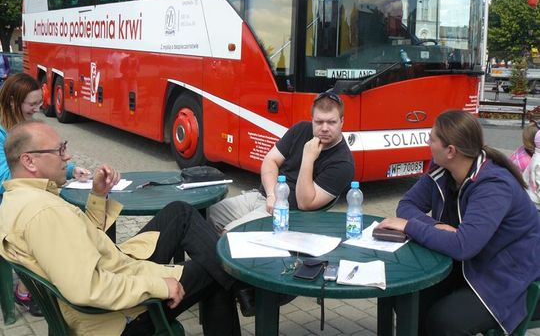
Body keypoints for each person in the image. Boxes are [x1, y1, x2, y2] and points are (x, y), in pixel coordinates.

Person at [0, 120, 241, 335]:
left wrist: (98, 195)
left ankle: (240, 284)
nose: (68, 156)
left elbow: (81, 240)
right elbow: (86, 289)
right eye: (59, 150)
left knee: (180, 212)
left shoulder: (17, 199)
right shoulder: (45, 213)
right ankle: (242, 284)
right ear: (29, 161)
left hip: (113, 269)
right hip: (117, 318)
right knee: (216, 268)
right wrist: (159, 285)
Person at [377, 110, 540, 335]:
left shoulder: (493, 184)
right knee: (406, 296)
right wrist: (434, 228)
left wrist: (410, 226)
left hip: (505, 276)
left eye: (432, 138)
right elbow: (406, 206)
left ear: (451, 151)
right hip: (468, 265)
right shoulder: (442, 170)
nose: (428, 142)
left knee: (444, 321)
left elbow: (464, 246)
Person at [0, 73, 91, 316]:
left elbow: (42, 160)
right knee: (42, 226)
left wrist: (70, 170)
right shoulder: (2, 133)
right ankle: (25, 288)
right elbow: (5, 180)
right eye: (32, 104)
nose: (38, 109)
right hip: (9, 202)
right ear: (12, 102)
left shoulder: (26, 125)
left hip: (28, 196)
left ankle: (70, 272)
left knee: (63, 217)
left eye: (39, 103)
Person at [207, 91, 355, 233]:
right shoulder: (301, 129)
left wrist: (308, 158)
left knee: (230, 233)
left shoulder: (343, 163)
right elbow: (270, 161)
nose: (324, 128)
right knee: (206, 213)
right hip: (263, 197)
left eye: (331, 122)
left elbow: (305, 203)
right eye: (319, 122)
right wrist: (271, 195)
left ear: (342, 122)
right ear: (312, 120)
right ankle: (209, 258)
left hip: (288, 213)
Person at [523, 129, 540, 209]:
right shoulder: (538, 162)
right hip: (536, 203)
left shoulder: (534, 157)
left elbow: (524, 177)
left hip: (530, 197)